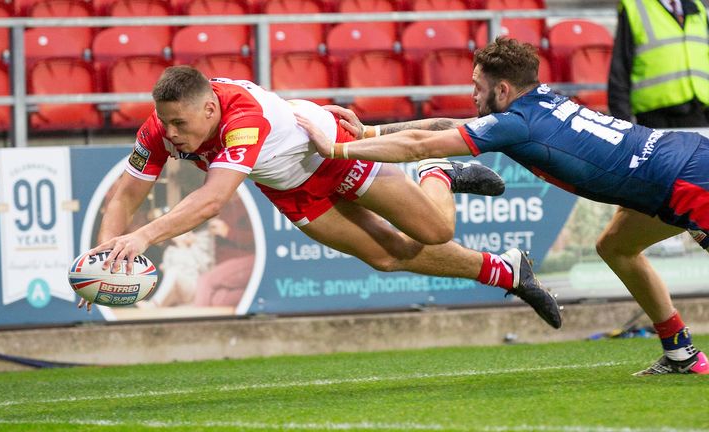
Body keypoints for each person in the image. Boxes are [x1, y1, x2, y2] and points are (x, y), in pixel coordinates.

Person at [297, 37, 709, 376]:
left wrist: (337, 148)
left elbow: (421, 146)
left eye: (477, 86)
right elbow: (447, 129)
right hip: (675, 165)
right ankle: (681, 353)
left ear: (503, 90)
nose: (472, 94)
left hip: (687, 180)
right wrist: (371, 130)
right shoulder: (540, 100)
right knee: (616, 247)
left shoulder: (517, 122)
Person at [82, 65, 562, 330]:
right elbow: (124, 195)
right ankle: (510, 272)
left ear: (209, 107)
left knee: (435, 231)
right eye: (164, 122)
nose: (170, 133)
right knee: (387, 257)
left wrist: (144, 235)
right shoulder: (163, 128)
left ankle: (436, 170)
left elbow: (213, 200)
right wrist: (107, 255)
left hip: (332, 152)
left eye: (180, 124)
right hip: (289, 185)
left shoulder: (242, 118)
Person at [608, 0, 709, 128]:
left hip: (697, 113)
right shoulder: (635, 6)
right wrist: (623, 127)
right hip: (654, 118)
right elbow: (619, 71)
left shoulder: (696, 6)